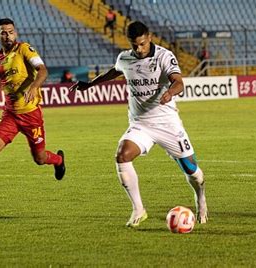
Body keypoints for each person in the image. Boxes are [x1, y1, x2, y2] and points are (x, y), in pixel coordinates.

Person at [70, 21, 208, 228]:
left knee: (192, 171)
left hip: (167, 123)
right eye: (134, 45)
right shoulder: (125, 58)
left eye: (142, 44)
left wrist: (170, 92)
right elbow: (115, 71)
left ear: (149, 37)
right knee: (122, 155)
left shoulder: (164, 56)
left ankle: (201, 200)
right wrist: (90, 84)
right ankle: (138, 210)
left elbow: (179, 81)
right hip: (141, 124)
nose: (139, 49)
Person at [0, 18, 66, 215]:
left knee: (39, 158)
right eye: (3, 32)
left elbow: (43, 70)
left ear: (16, 33)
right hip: (10, 114)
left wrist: (34, 86)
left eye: (11, 31)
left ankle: (58, 161)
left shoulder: (25, 49)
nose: (8, 35)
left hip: (31, 115)